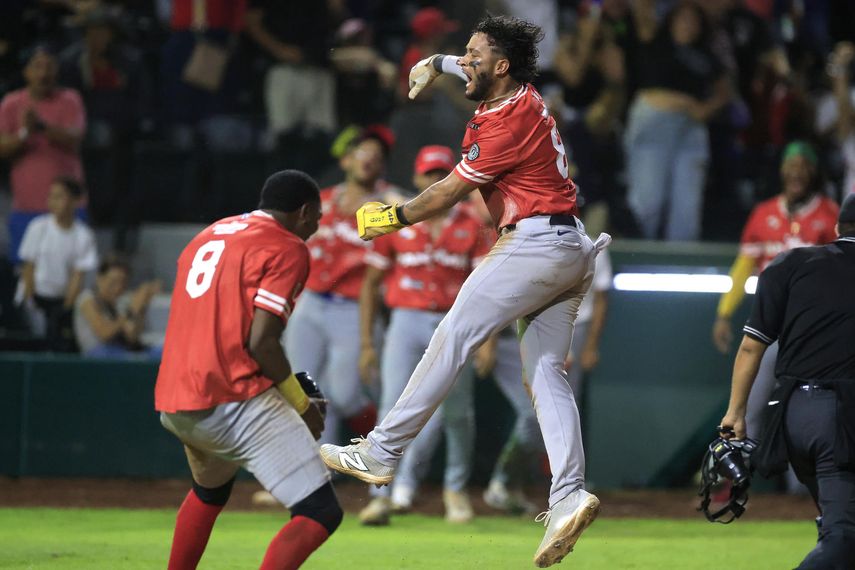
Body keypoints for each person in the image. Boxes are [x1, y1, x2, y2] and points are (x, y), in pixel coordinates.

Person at [320, 15, 610, 567]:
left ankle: (382, 451)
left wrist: (394, 216)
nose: (464, 60)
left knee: (453, 333)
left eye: (473, 55)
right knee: (546, 371)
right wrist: (435, 64)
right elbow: (470, 65)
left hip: (534, 243)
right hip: (569, 246)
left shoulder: (506, 119)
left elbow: (451, 189)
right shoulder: (514, 90)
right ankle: (568, 492)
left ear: (500, 66)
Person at [155, 170, 341, 570]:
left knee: (210, 493)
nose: (315, 228)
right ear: (304, 211)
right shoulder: (287, 246)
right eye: (317, 218)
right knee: (320, 512)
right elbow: (262, 343)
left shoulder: (210, 233)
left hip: (176, 397)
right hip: (230, 397)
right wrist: (300, 404)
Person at [719, 193, 855, 570]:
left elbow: (750, 347)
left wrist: (734, 414)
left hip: (794, 415)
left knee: (841, 532)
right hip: (842, 418)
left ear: (839, 227)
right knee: (844, 539)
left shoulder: (792, 262)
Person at [356, 145, 489, 526]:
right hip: (405, 320)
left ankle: (455, 490)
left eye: (441, 174)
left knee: (457, 411)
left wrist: (489, 339)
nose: (434, 180)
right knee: (390, 407)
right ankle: (378, 495)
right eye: (428, 174)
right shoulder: (399, 219)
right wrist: (367, 342)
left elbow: (485, 288)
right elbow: (371, 284)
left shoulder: (471, 223)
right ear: (416, 179)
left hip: (454, 324)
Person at [712, 141, 839, 448]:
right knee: (747, 406)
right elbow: (743, 268)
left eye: (803, 166)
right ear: (782, 171)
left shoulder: (829, 214)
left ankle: (809, 491)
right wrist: (724, 313)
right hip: (769, 327)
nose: (796, 172)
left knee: (812, 413)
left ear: (813, 172)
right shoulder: (763, 213)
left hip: (813, 330)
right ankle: (738, 480)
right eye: (790, 165)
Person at [283, 127, 401, 445]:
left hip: (354, 310)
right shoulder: (321, 201)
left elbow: (417, 219)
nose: (369, 160)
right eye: (363, 153)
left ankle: (383, 448)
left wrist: (398, 205)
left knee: (345, 394)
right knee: (303, 390)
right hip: (311, 303)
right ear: (346, 159)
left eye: (377, 158)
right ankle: (317, 475)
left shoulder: (386, 207)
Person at [624, 0, 731, 240]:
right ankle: (636, 263)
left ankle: (684, 267)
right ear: (671, 21)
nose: (688, 25)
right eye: (683, 19)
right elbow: (641, 8)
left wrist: (706, 108)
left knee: (687, 209)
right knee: (648, 201)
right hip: (653, 123)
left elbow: (726, 93)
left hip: (689, 129)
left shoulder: (706, 56)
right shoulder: (654, 38)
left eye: (694, 21)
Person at [0, 45, 86, 264]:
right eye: (37, 66)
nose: (43, 73)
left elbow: (75, 137)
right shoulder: (11, 103)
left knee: (69, 271)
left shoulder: (70, 99)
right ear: (25, 72)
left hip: (69, 208)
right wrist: (24, 133)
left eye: (49, 66)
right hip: (26, 206)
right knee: (24, 273)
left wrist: (40, 126)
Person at [17, 176, 97, 351]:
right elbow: (29, 267)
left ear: (76, 201)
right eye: (51, 196)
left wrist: (66, 308)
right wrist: (31, 299)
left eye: (60, 196)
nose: (53, 201)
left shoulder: (84, 235)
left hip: (61, 302)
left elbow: (78, 275)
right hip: (35, 299)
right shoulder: (38, 227)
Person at [73, 256, 161, 358]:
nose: (118, 288)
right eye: (113, 282)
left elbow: (132, 337)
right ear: (100, 278)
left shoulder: (120, 303)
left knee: (162, 352)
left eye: (123, 283)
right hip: (98, 355)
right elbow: (104, 333)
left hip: (120, 351)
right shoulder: (86, 299)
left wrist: (141, 307)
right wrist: (131, 309)